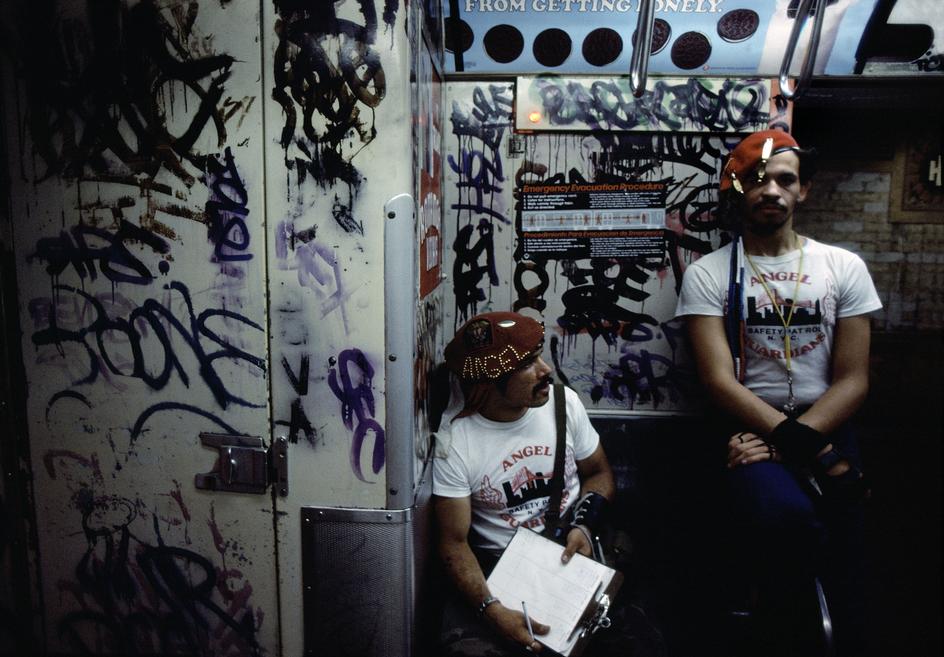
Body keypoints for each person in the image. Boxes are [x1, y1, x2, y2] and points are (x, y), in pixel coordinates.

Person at [675, 129, 881, 656]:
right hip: (750, 426)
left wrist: (800, 442)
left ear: (803, 190)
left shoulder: (842, 267)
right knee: (784, 521)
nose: (771, 190)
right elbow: (718, 380)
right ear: (737, 188)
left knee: (849, 556)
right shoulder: (709, 273)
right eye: (757, 179)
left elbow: (854, 379)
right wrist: (795, 443)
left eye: (785, 180)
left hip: (824, 423)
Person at [432, 310, 616, 656]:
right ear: (489, 381)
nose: (546, 370)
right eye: (527, 364)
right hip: (498, 567)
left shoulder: (563, 404)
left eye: (539, 356)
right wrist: (493, 611)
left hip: (570, 550)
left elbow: (599, 473)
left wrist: (585, 524)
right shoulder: (456, 442)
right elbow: (453, 543)